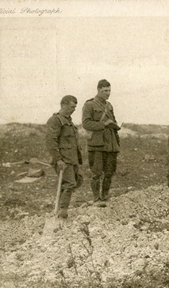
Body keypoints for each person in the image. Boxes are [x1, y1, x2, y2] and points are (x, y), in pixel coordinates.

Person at [82, 79, 121, 207]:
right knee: (97, 173)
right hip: (97, 144)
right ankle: (96, 199)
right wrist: (104, 124)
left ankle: (104, 196)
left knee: (109, 172)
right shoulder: (89, 105)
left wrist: (115, 128)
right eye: (104, 91)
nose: (107, 93)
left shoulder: (109, 106)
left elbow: (113, 122)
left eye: (109, 90)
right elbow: (86, 123)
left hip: (110, 144)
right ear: (98, 90)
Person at [46, 95, 83, 218]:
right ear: (64, 105)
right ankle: (62, 211)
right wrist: (58, 159)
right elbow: (51, 141)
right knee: (69, 183)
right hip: (63, 159)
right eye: (72, 107)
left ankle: (60, 208)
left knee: (75, 182)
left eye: (75, 107)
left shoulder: (68, 121)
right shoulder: (55, 120)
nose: (74, 109)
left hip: (72, 159)